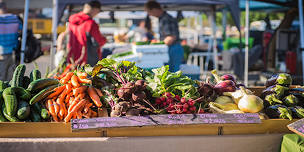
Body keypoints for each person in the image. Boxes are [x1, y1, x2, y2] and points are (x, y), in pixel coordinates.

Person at [144, 1, 184, 72]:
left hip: (173, 49)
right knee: (169, 73)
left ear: (154, 9)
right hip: (172, 48)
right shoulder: (163, 18)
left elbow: (171, 38)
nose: (150, 15)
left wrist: (156, 44)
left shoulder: (166, 19)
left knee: (173, 74)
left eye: (149, 12)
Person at [67, 0, 107, 66]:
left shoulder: (71, 21)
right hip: (87, 60)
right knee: (88, 76)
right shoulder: (91, 23)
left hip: (73, 58)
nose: (97, 13)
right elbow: (98, 41)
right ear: (94, 9)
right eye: (98, 11)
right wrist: (105, 39)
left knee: (74, 76)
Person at [0, 2, 22, 81]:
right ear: (6, 7)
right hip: (14, 52)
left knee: (1, 78)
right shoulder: (15, 18)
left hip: (1, 52)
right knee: (12, 78)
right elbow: (21, 30)